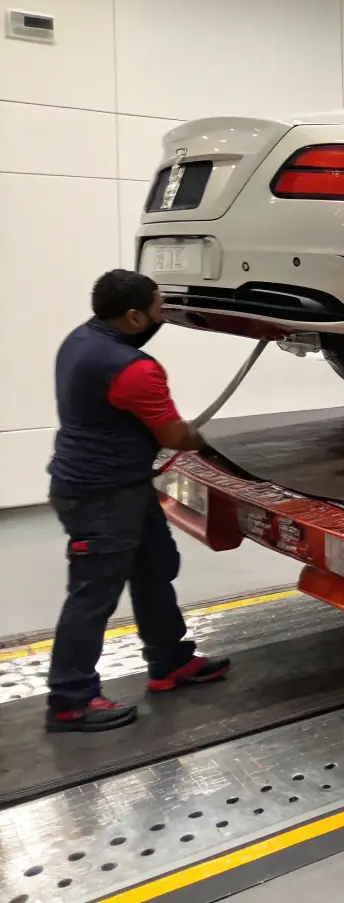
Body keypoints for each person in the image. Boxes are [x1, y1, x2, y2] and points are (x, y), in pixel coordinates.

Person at [45, 270, 230, 733]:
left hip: (120, 486)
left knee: (154, 569)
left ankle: (170, 661)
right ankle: (71, 700)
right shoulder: (134, 369)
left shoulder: (79, 340)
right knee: (93, 595)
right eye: (158, 308)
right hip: (101, 497)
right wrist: (206, 440)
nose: (162, 315)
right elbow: (173, 436)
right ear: (133, 317)